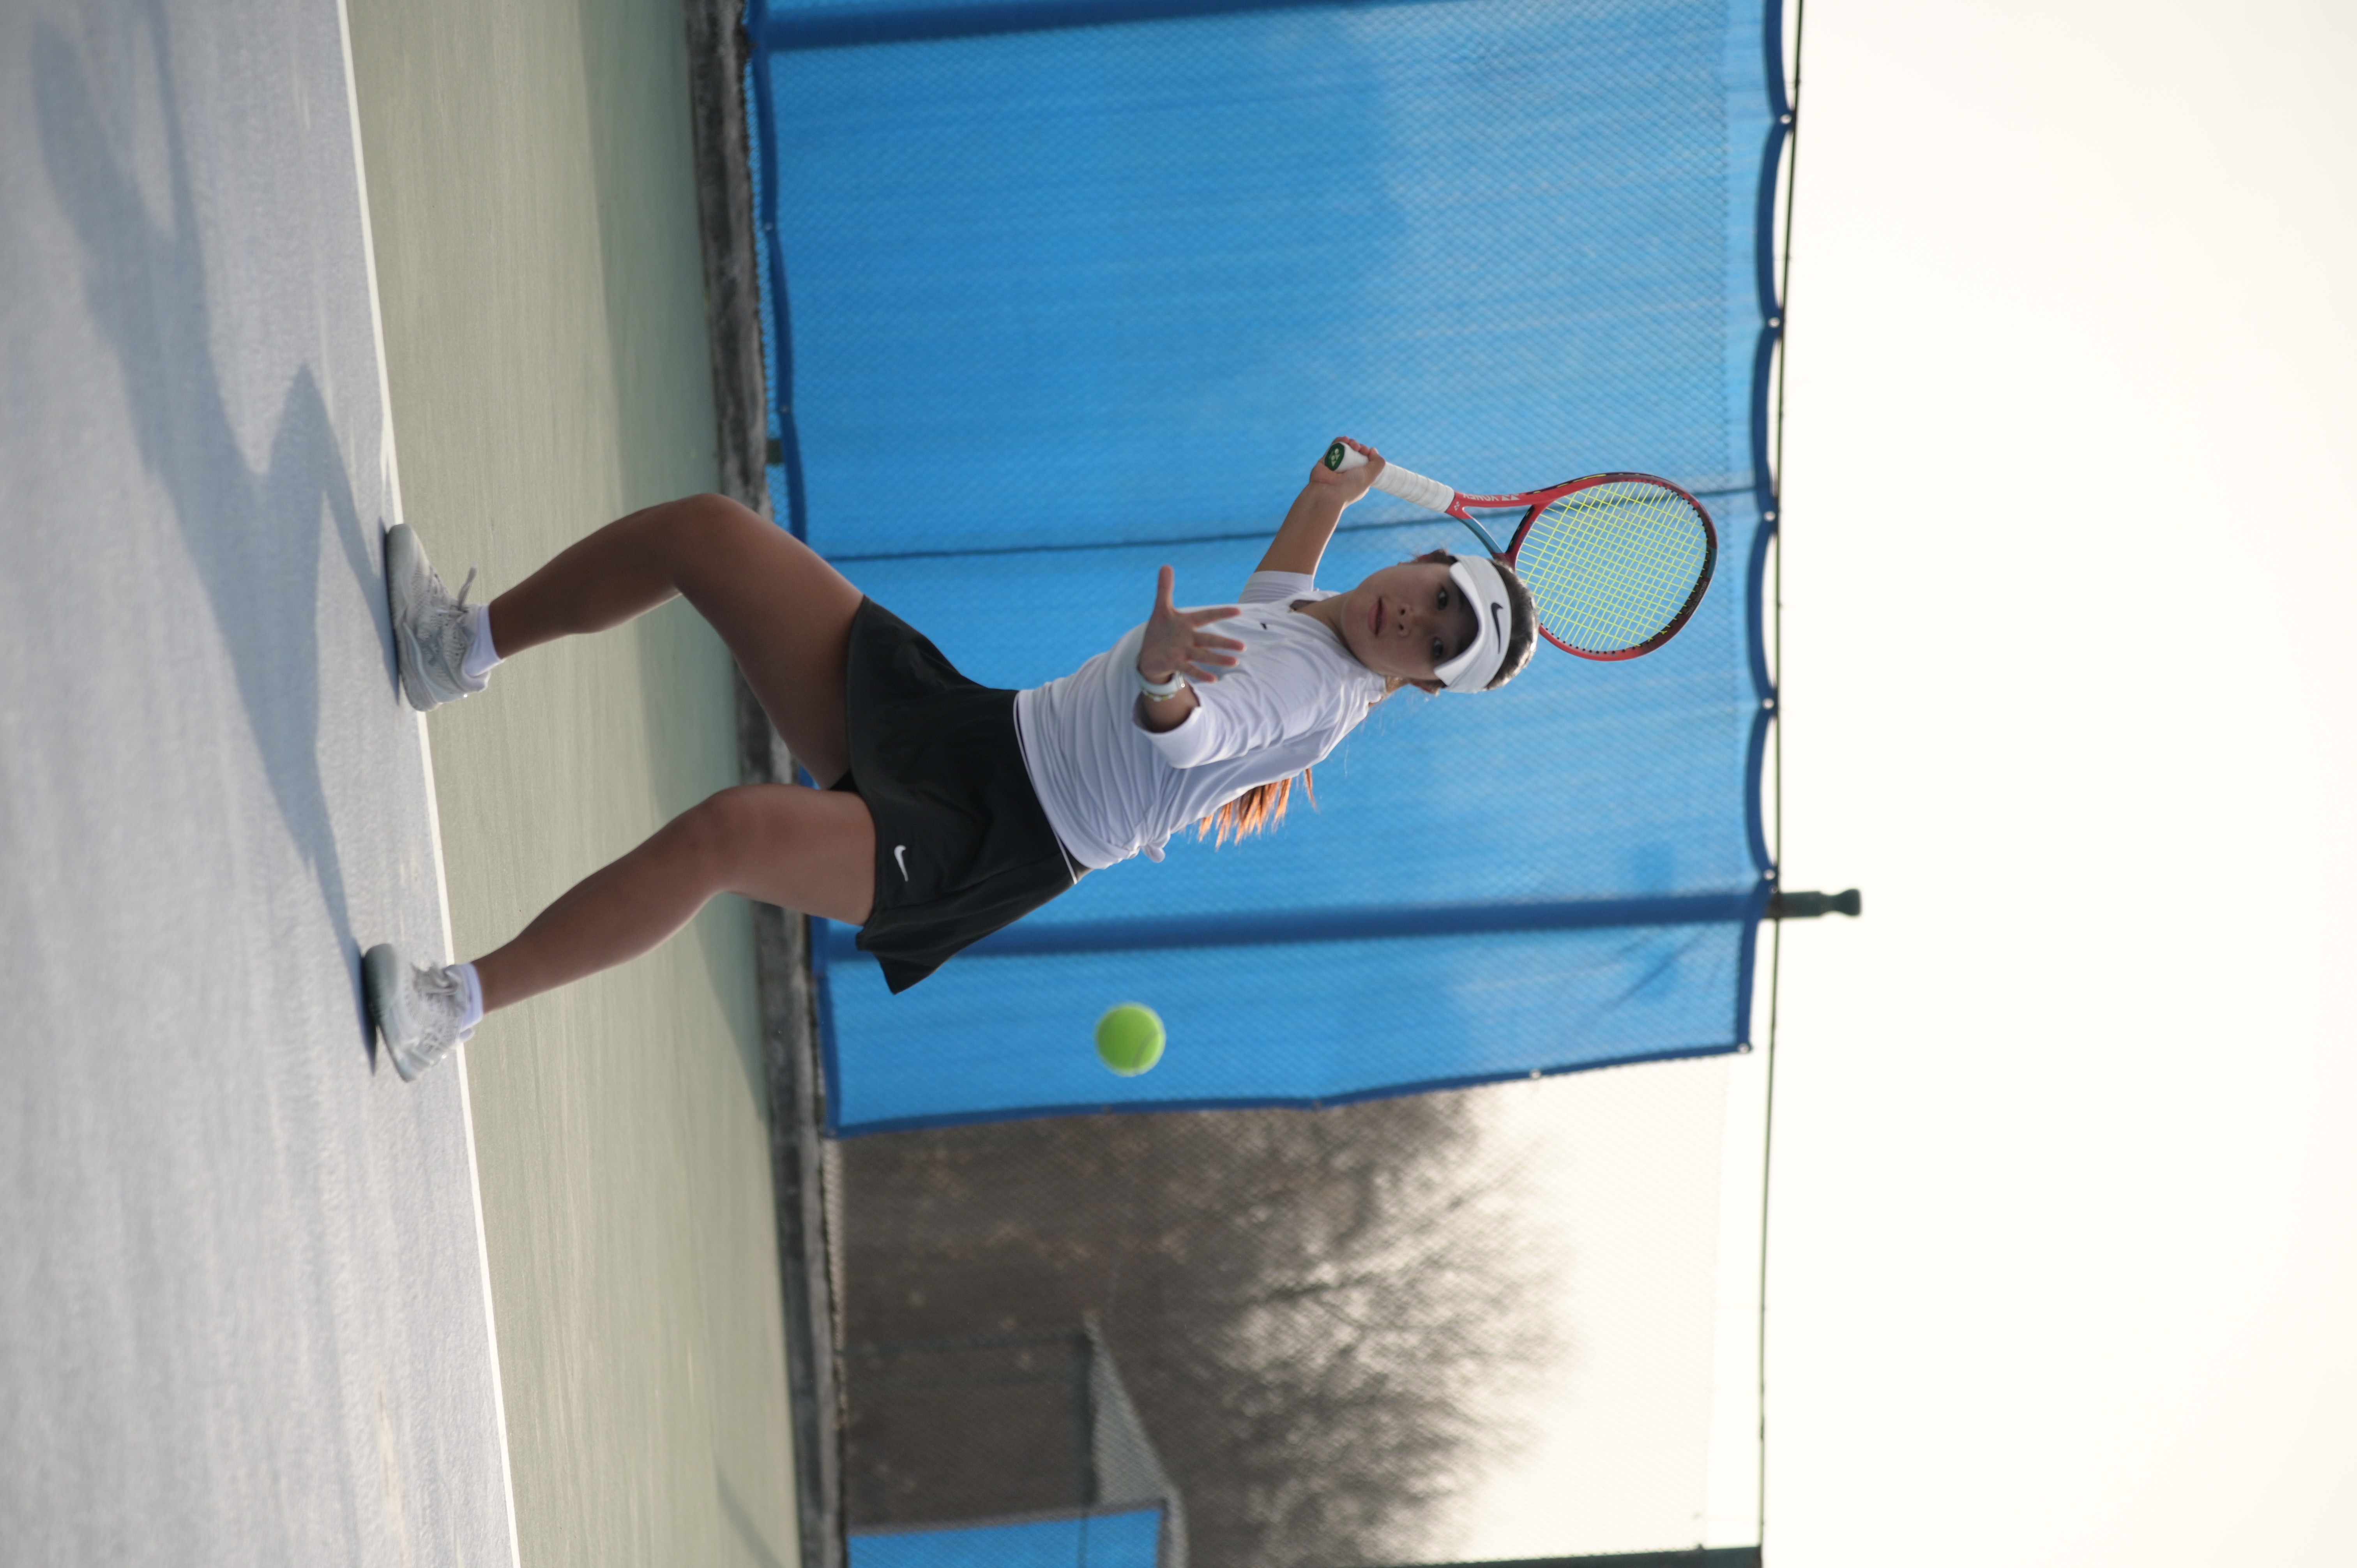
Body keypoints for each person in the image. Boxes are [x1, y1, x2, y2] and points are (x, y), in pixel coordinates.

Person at [362, 440, 1537, 1081]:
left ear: (1421, 686)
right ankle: (451, 649)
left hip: (995, 837)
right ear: (1428, 559)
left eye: (1438, 646)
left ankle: (450, 1008)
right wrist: (1324, 495)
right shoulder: (1328, 627)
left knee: (728, 836)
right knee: (706, 536)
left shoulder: (1313, 692)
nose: (1415, 621)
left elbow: (1201, 733)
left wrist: (1163, 676)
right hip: (975, 731)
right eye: (1437, 597)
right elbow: (1289, 590)